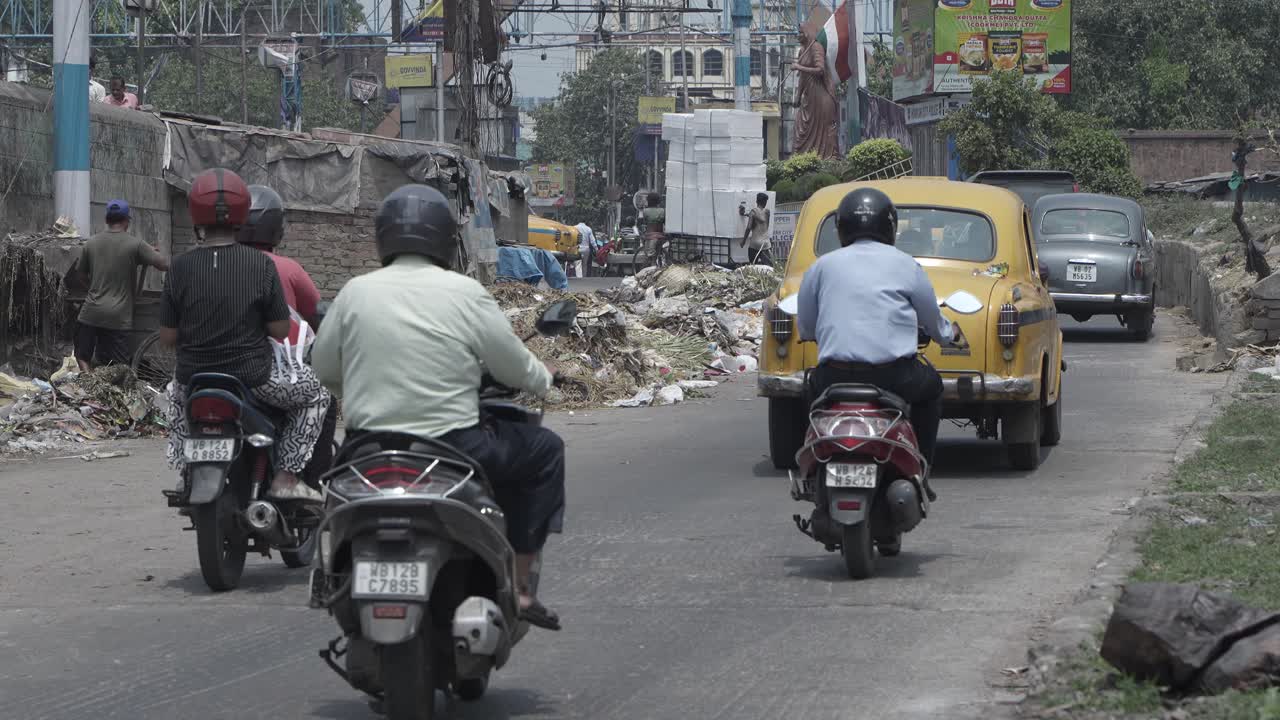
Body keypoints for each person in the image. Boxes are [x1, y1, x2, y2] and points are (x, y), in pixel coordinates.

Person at [312, 184, 566, 631]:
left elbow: (324, 367)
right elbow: (511, 365)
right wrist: (543, 379)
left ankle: (330, 576)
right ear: (448, 240)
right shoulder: (465, 292)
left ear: (383, 238)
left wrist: (355, 387)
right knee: (545, 450)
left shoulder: (354, 292)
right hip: (455, 449)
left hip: (368, 450)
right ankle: (521, 586)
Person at [160, 168, 329, 502]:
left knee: (172, 396)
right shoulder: (261, 265)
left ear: (195, 214)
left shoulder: (179, 267)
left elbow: (167, 337)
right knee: (318, 395)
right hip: (254, 378)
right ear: (240, 214)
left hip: (192, 378)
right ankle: (285, 476)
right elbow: (281, 329)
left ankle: (186, 472)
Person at [796, 188, 965, 498]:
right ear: (890, 227)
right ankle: (922, 469)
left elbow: (805, 326)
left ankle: (812, 468)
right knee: (932, 389)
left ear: (842, 228)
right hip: (894, 377)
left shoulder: (820, 267)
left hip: (834, 375)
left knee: (809, 391)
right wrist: (948, 334)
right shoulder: (906, 265)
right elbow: (933, 321)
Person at [236, 183, 336, 483]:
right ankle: (311, 482)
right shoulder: (288, 269)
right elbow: (316, 314)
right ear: (276, 227)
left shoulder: (215, 263)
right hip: (268, 374)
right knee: (323, 397)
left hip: (211, 371)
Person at [73, 199, 169, 372]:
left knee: (82, 356)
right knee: (119, 368)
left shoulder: (91, 243)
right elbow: (163, 264)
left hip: (91, 312)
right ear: (126, 221)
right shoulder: (135, 244)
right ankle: (114, 392)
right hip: (118, 316)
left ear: (106, 220)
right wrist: (149, 252)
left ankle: (90, 385)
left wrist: (94, 288)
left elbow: (80, 276)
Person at [739, 192, 773, 265]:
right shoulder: (767, 212)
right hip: (765, 244)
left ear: (756, 201)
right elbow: (762, 221)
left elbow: (748, 227)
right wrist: (746, 214)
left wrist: (743, 241)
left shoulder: (753, 212)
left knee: (753, 265)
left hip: (754, 244)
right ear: (765, 202)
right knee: (769, 266)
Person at [640, 192, 666, 260]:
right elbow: (664, 222)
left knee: (649, 255)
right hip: (661, 235)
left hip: (649, 236)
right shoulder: (662, 211)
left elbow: (645, 222)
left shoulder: (645, 211)